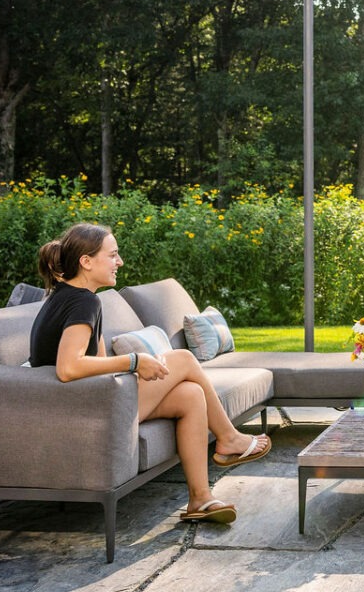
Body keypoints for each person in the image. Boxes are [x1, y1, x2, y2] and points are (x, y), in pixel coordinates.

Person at [29, 222, 269, 525]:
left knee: (191, 396)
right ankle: (229, 439)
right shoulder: (82, 301)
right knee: (182, 358)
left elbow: (94, 362)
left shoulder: (72, 297)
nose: (120, 262)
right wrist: (133, 361)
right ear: (86, 262)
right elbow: (68, 368)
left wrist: (132, 369)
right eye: (113, 255)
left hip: (85, 402)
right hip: (83, 412)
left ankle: (200, 499)